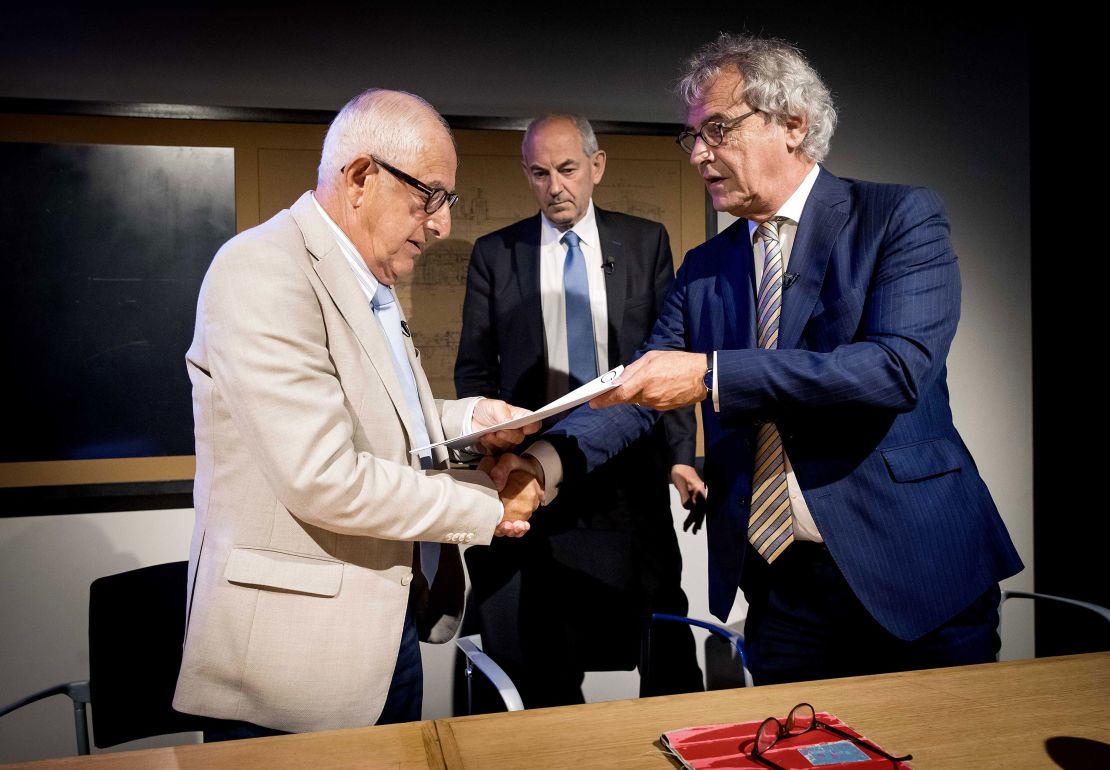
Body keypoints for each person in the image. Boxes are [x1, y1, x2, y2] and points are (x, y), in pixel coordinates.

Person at [492, 34, 1024, 685]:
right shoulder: (704, 268)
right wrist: (541, 466)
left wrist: (713, 376)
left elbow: (896, 369)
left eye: (717, 130)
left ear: (793, 125)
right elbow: (636, 391)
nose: (700, 154)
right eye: (693, 138)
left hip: (917, 574)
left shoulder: (898, 219)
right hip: (784, 592)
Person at [173, 88, 542, 738]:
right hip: (292, 670)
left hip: (383, 633)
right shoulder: (262, 270)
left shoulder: (368, 283)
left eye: (446, 202)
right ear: (362, 178)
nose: (441, 224)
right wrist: (489, 508)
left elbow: (387, 422)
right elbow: (324, 475)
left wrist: (477, 419)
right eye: (430, 196)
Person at [453, 114, 704, 709]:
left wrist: (680, 459)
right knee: (540, 650)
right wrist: (496, 445)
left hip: (629, 475)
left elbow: (663, 359)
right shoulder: (496, 254)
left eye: (567, 169)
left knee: (663, 638)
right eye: (539, 173)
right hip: (528, 480)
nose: (555, 185)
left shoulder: (645, 242)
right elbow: (473, 370)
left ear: (597, 166)